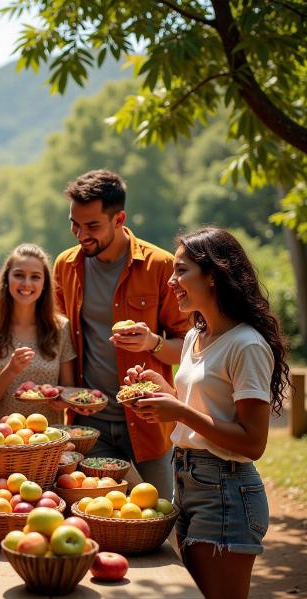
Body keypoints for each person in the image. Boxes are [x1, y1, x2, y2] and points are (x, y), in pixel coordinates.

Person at [126, 227, 291, 599]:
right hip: (186, 481)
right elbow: (200, 410)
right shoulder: (194, 337)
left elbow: (253, 442)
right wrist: (159, 389)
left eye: (181, 271)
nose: (171, 282)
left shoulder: (247, 345)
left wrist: (178, 410)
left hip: (226, 491)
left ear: (213, 275)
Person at [53, 168, 189, 499]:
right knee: (99, 514)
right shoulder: (64, 266)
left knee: (160, 517)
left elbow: (190, 348)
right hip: (91, 424)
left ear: (119, 219)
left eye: (92, 226)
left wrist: (152, 342)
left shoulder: (161, 266)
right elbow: (60, 343)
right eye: (75, 224)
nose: (80, 234)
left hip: (149, 420)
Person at [0, 243, 76, 423]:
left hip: (49, 439)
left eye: (35, 277)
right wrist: (10, 370)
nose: (26, 283)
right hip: (2, 439)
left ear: (45, 283)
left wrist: (62, 399)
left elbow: (69, 389)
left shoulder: (61, 329)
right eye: (19, 275)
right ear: (7, 279)